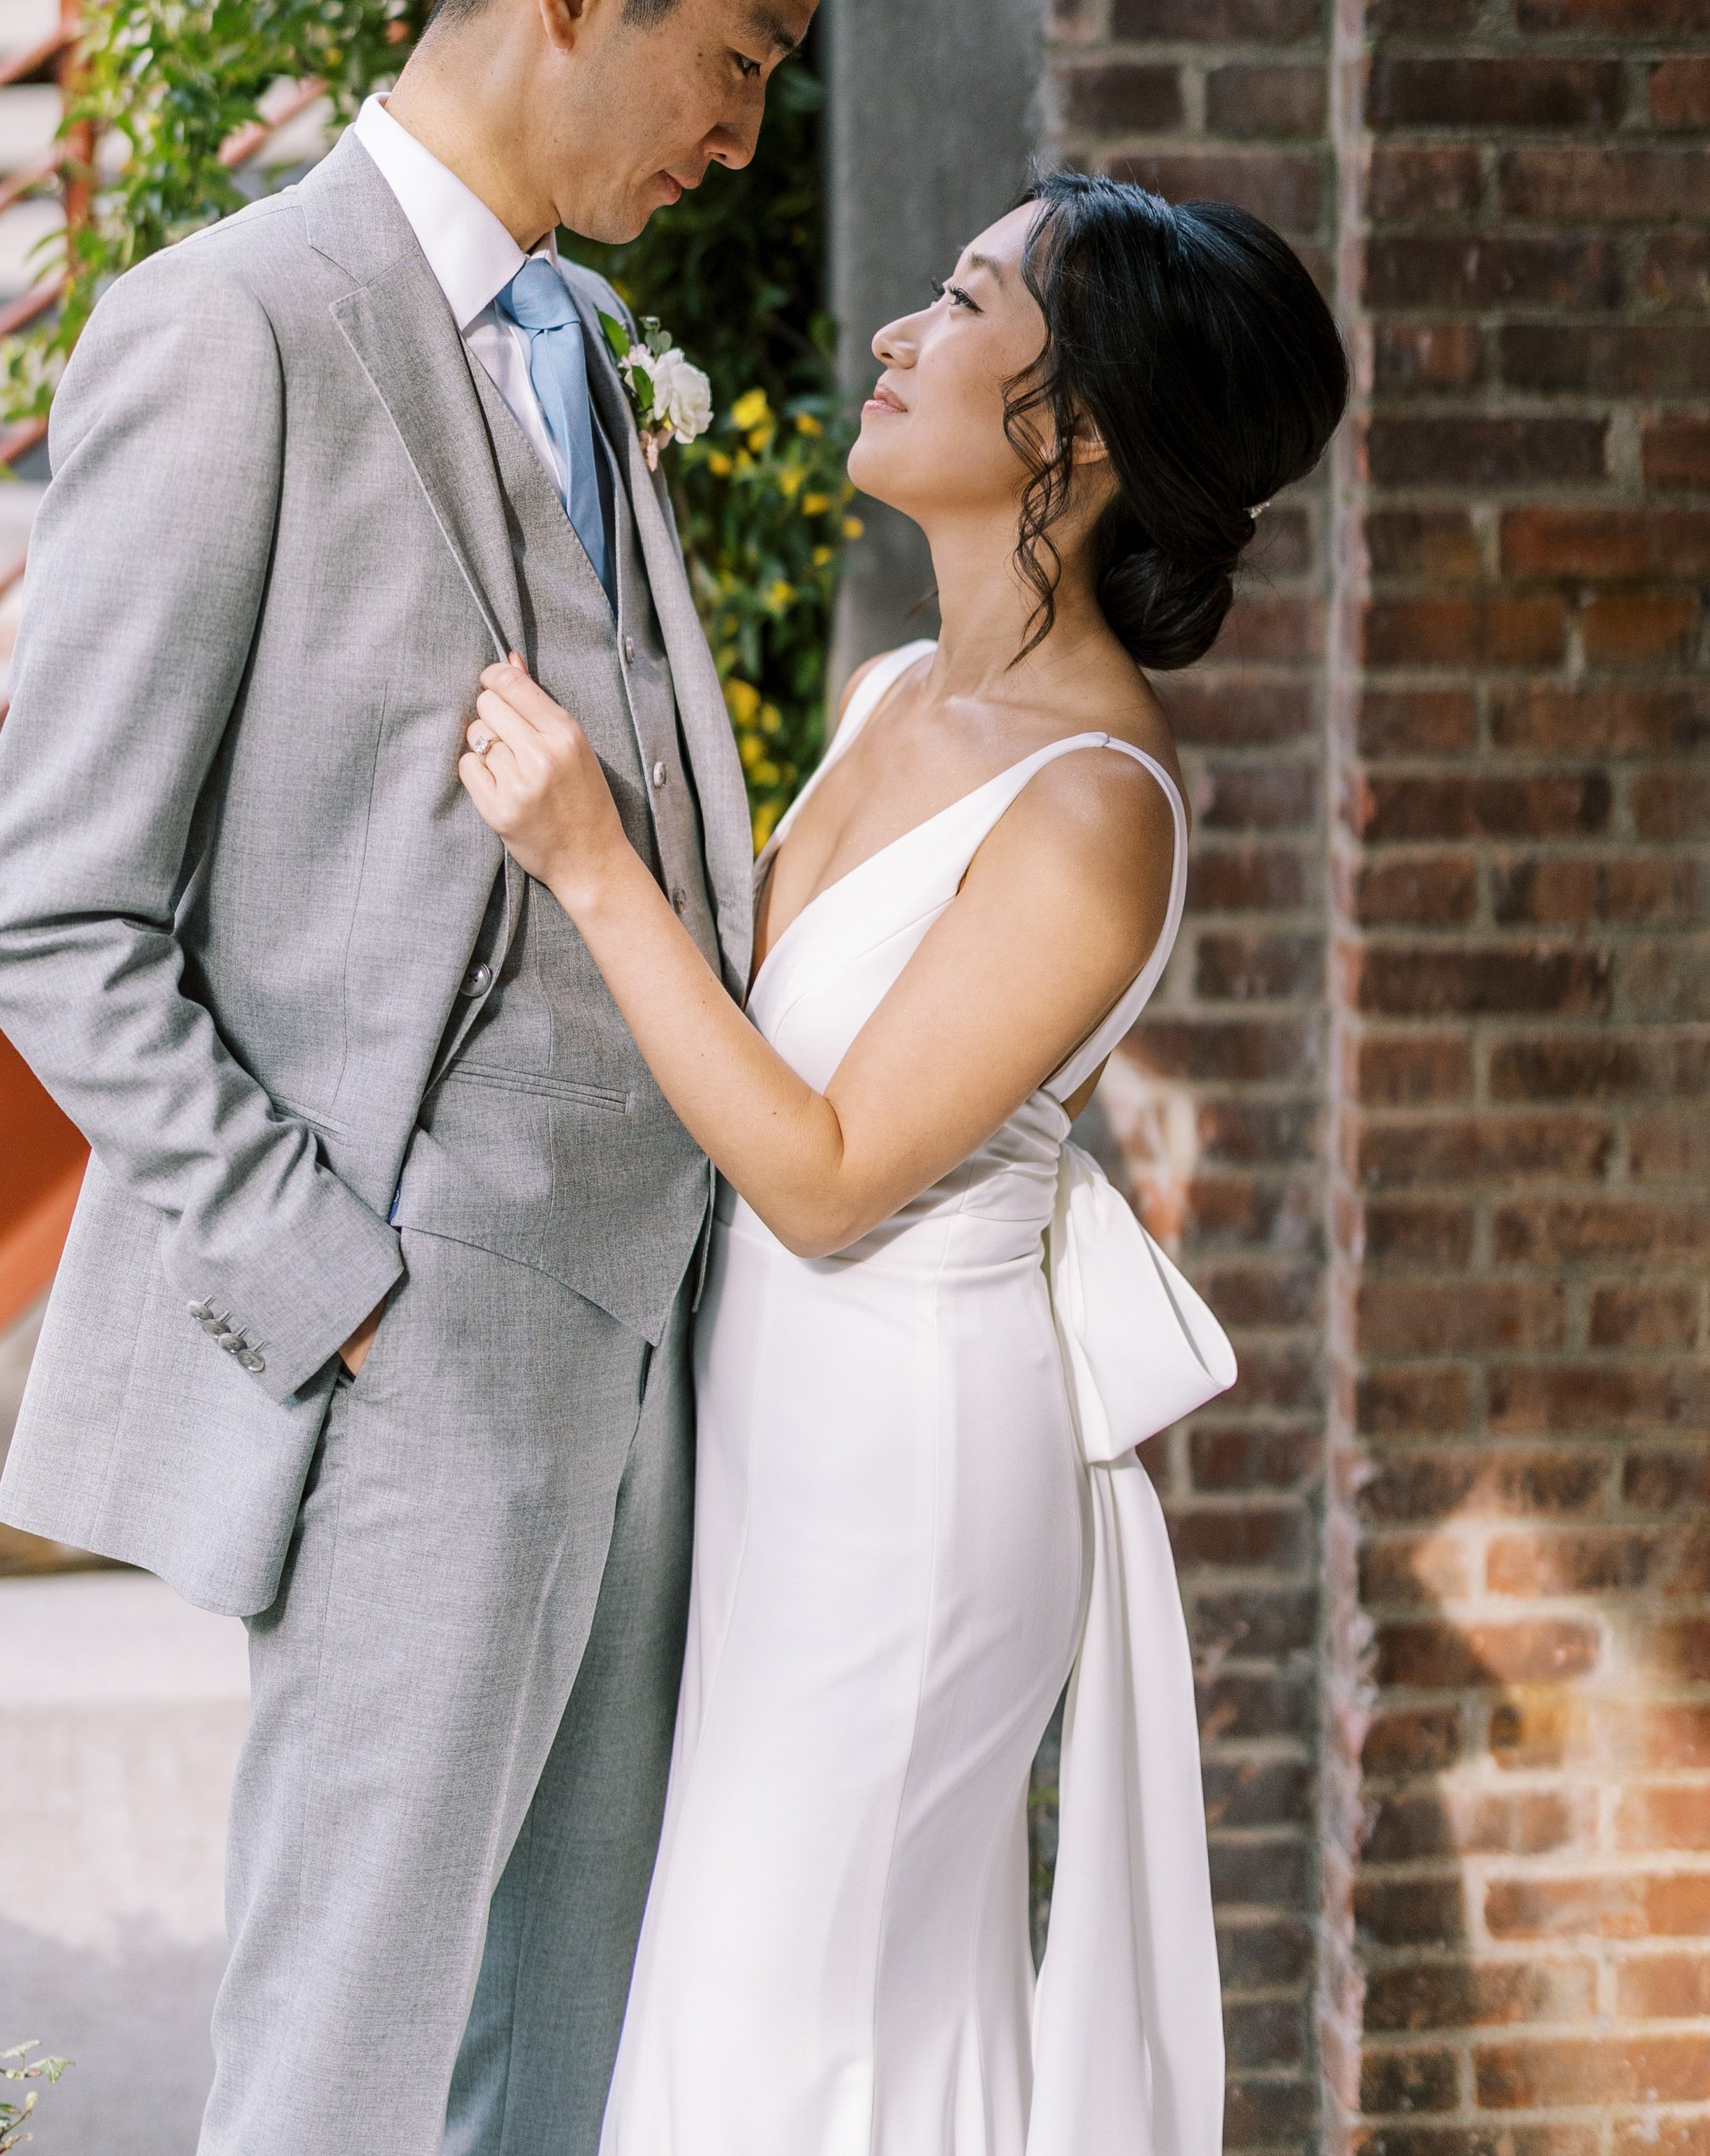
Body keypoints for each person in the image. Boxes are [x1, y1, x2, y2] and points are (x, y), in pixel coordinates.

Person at [0, 0, 887, 2156]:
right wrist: (332, 1285)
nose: (744, 131)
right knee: (345, 2071)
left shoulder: (582, 340)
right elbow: (49, 906)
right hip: (417, 1342)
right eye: (741, 53)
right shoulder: (228, 327)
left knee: (558, 2054)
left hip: (652, 1337)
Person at [456, 169, 1350, 2156]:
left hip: (912, 1484)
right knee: (757, 2002)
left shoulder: (1095, 805)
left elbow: (835, 1173)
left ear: (1080, 430)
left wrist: (595, 869)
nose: (893, 334)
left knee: (796, 2015)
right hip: (775, 1433)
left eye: (957, 303)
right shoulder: (889, 694)